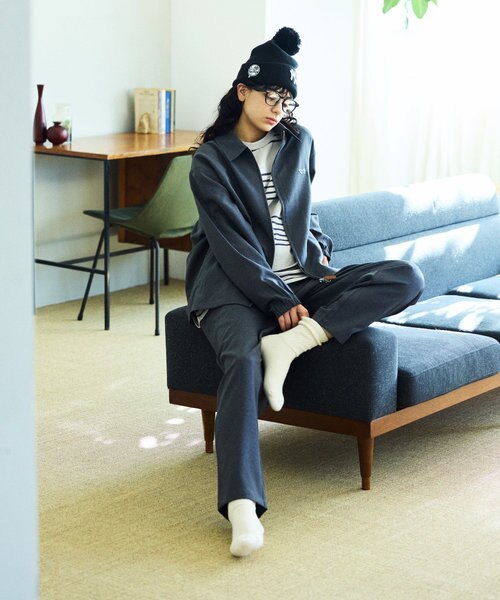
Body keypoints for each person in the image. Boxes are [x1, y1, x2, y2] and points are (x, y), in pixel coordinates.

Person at [186, 27, 424, 558]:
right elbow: (232, 245)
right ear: (242, 91)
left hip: (302, 282)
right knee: (241, 362)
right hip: (231, 289)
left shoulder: (300, 141)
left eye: (286, 98)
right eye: (269, 96)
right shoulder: (210, 161)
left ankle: (291, 343)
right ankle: (242, 506)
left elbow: (303, 210)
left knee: (406, 276)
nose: (278, 108)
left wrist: (317, 255)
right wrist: (277, 300)